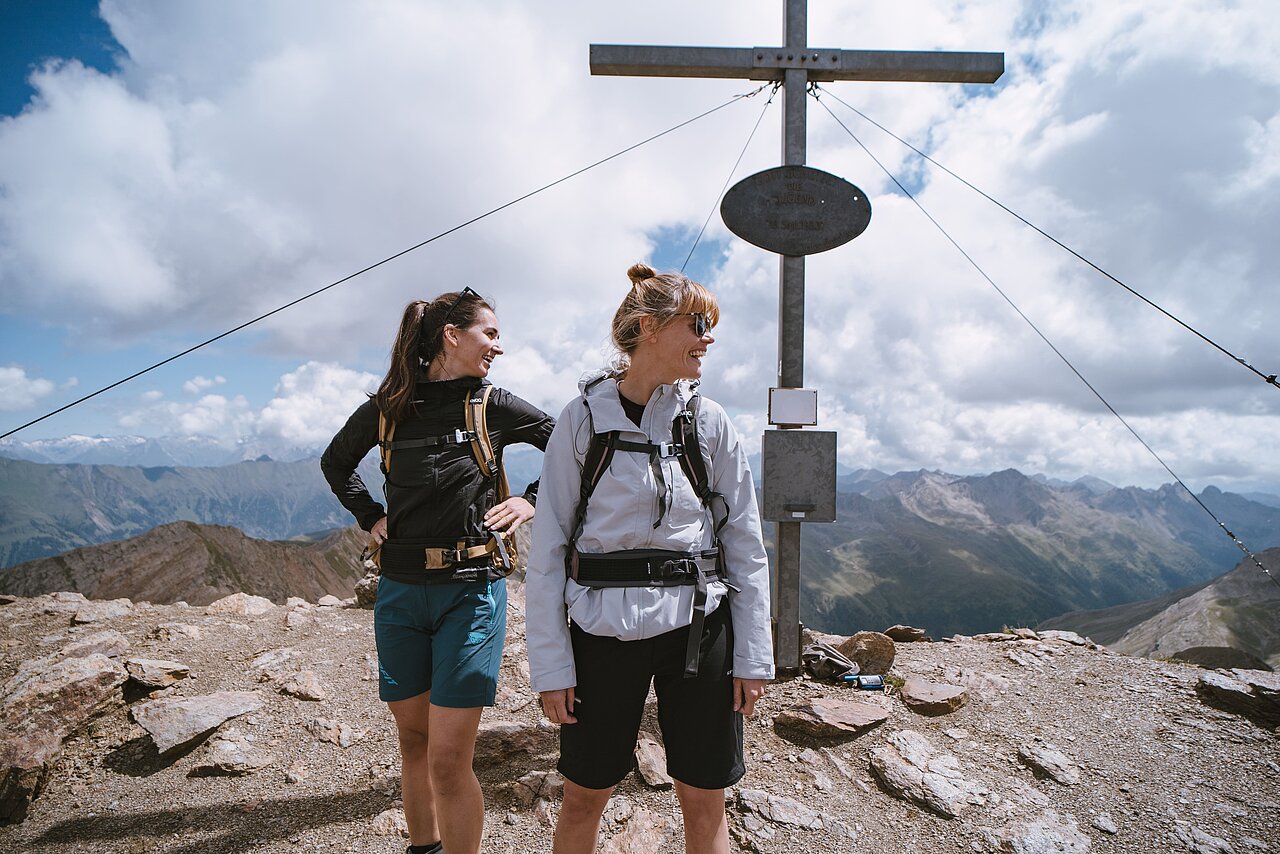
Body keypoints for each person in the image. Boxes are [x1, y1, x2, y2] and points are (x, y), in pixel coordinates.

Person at [526, 263, 774, 853]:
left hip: (699, 629)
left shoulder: (709, 422)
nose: (708, 339)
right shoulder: (582, 420)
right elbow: (549, 549)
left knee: (705, 799)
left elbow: (744, 543)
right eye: (697, 325)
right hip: (600, 633)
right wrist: (552, 668)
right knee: (583, 795)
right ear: (649, 328)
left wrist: (752, 656)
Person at [321, 290, 554, 854]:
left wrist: (530, 500)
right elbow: (336, 462)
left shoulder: (492, 405)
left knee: (448, 760)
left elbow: (575, 446)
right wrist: (371, 516)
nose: (499, 345)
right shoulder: (389, 407)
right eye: (490, 334)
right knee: (414, 741)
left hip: (470, 595)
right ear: (452, 336)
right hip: (400, 592)